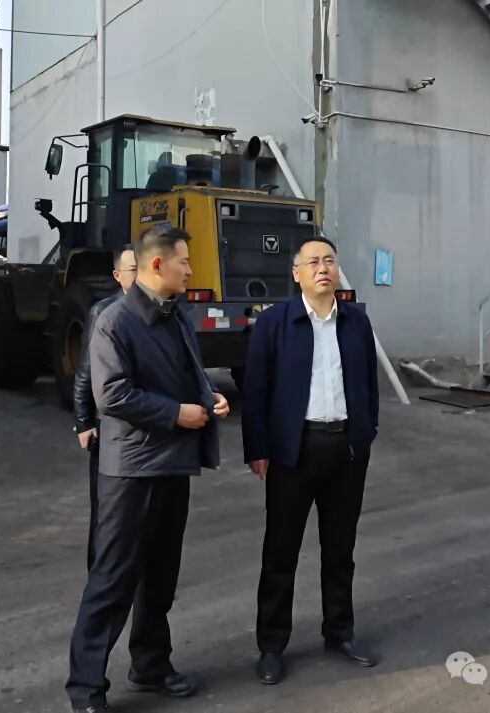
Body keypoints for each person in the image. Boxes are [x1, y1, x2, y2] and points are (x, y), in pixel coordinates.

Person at [66, 226, 230, 713]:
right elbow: (112, 395)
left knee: (161, 575)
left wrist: (208, 398)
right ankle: (86, 688)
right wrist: (177, 413)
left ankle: (151, 664)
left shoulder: (176, 316)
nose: (190, 270)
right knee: (113, 578)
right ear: (157, 265)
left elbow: (184, 376)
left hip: (172, 464)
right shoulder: (115, 321)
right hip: (132, 470)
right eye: (184, 261)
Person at [242, 236, 380, 685]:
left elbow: (369, 385)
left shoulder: (356, 322)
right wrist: (258, 449)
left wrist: (367, 432)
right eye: (314, 262)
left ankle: (340, 631)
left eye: (330, 261)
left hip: (346, 449)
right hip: (293, 451)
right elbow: (256, 390)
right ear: (296, 273)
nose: (323, 268)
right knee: (280, 553)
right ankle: (271, 645)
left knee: (340, 550)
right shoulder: (275, 323)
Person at [73, 244, 136, 570]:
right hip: (107, 424)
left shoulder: (159, 312)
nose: (139, 277)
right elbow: (86, 371)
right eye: (132, 270)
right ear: (117, 276)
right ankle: (98, 574)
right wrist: (84, 422)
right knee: (106, 511)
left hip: (139, 430)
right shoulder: (104, 312)